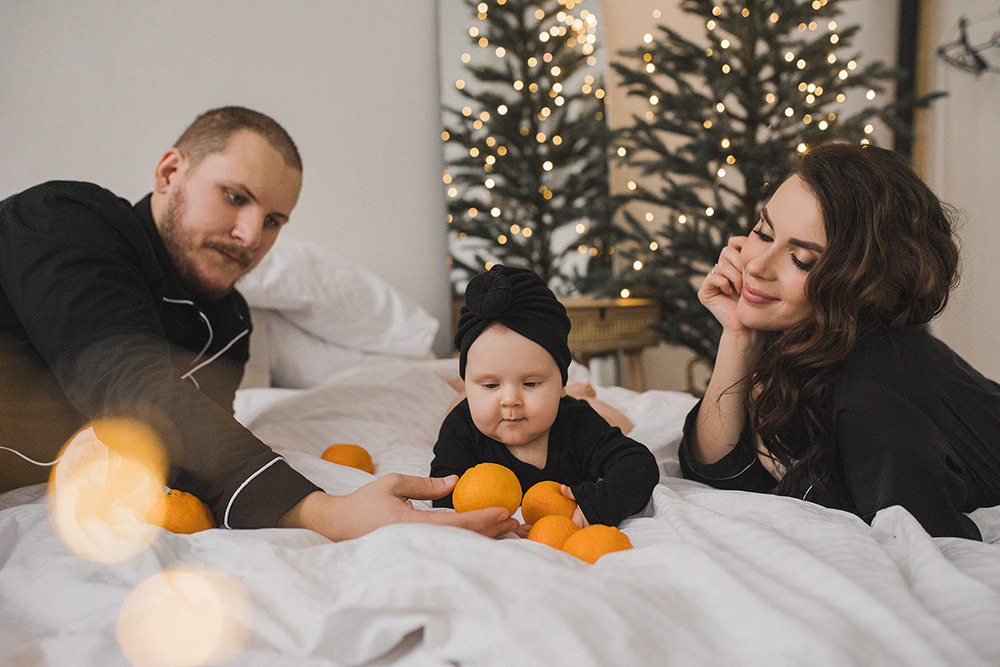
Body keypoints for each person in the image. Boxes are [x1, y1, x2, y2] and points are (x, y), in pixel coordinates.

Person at [0, 106, 517, 541]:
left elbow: (194, 452)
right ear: (168, 173)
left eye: (273, 221)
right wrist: (324, 511)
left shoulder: (229, 325)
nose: (251, 236)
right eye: (234, 197)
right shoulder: (63, 219)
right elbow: (131, 382)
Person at [680, 141, 1000, 541]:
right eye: (764, 232)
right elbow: (712, 466)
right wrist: (739, 335)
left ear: (861, 284)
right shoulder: (811, 338)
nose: (757, 266)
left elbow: (930, 539)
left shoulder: (866, 401)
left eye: (802, 260)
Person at [430, 265, 659, 528]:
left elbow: (639, 465)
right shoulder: (461, 429)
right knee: (454, 408)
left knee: (615, 417)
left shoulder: (577, 423)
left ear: (561, 381)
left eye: (530, 383)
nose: (510, 400)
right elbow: (442, 494)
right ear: (469, 384)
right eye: (491, 385)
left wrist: (595, 507)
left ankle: (576, 394)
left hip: (568, 403)